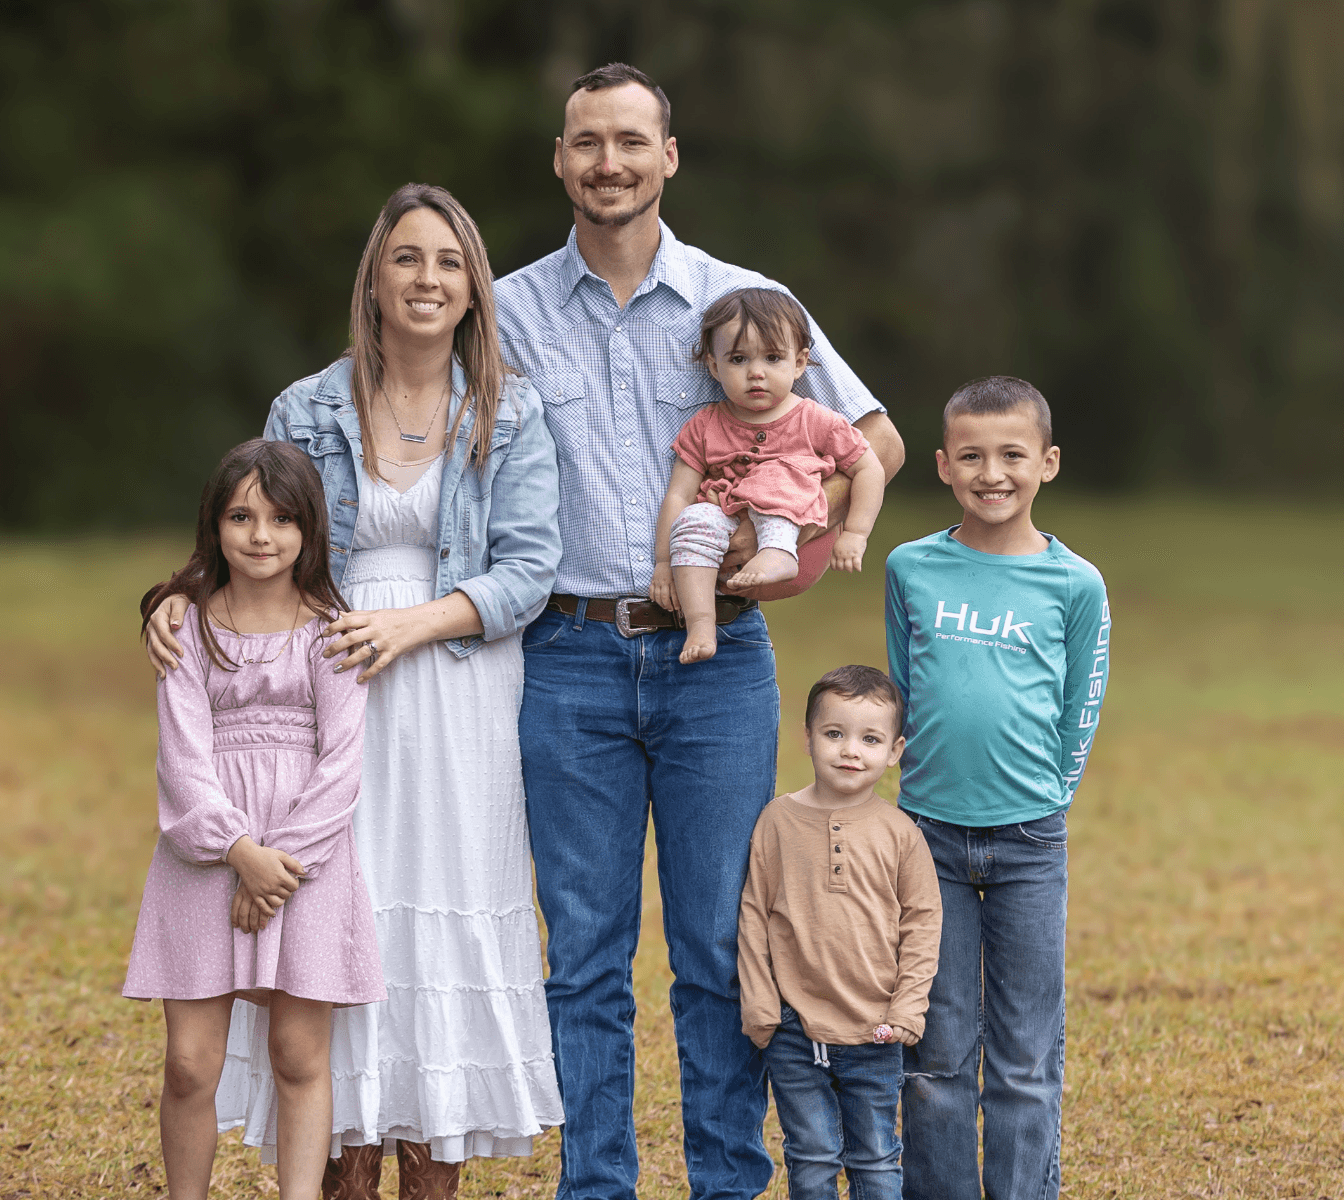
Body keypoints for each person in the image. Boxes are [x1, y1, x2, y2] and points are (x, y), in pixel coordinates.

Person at [492, 62, 906, 1200]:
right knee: (580, 958)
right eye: (586, 143)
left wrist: (794, 555)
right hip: (564, 658)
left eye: (630, 140)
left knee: (720, 951)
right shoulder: (509, 309)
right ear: (561, 161)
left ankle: (726, 1182)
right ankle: (597, 1186)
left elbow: (872, 440)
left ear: (669, 154)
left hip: (717, 666)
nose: (607, 162)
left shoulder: (747, 302)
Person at [145, 183, 563, 1200]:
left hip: (457, 685)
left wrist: (412, 625)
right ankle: (342, 1169)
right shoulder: (306, 406)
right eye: (406, 259)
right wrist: (173, 596)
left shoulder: (507, 409)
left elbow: (528, 568)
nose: (427, 279)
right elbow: (257, 532)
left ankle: (429, 1167)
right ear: (372, 280)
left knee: (445, 908)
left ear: (473, 290)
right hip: (325, 684)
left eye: (448, 262)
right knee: (342, 905)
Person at [123, 438, 382, 1200]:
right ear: (215, 525)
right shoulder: (189, 630)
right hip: (206, 856)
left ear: (310, 532)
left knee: (300, 1055)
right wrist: (239, 851)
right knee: (189, 1063)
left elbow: (341, 766)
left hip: (305, 864)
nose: (260, 535)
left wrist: (277, 866)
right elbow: (181, 759)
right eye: (241, 516)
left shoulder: (332, 630)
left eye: (281, 518)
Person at [882, 377, 1111, 1200]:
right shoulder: (912, 567)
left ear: (1046, 463)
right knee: (935, 1049)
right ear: (943, 465)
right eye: (972, 456)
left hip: (1028, 842)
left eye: (1012, 455)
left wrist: (1049, 797)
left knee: (1024, 1054)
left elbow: (1082, 702)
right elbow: (903, 690)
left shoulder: (1075, 584)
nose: (993, 473)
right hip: (928, 838)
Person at [738, 665, 942, 1200]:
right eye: (835, 734)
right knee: (810, 1154)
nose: (851, 750)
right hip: (792, 1027)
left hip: (876, 1029)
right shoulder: (776, 821)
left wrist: (907, 1009)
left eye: (870, 739)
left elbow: (922, 924)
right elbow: (754, 913)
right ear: (807, 738)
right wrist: (762, 1003)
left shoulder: (901, 833)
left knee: (875, 1157)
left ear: (895, 750)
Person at [649, 288, 887, 663]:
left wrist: (856, 533)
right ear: (714, 366)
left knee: (774, 476)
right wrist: (664, 561)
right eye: (739, 359)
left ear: (799, 363)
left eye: (773, 358)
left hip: (798, 536)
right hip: (730, 536)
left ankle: (777, 553)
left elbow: (869, 466)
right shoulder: (705, 424)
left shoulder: (815, 419)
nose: (756, 372)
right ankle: (701, 624)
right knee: (694, 517)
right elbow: (678, 494)